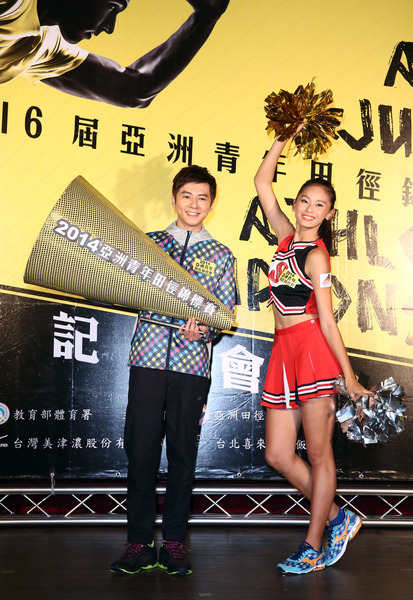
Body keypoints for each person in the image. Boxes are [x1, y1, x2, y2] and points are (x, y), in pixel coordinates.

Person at [254, 125, 372, 575]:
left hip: (312, 353)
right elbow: (262, 182)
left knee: (320, 455)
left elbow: (327, 319)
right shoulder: (285, 238)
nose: (309, 209)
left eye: (319, 204)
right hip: (283, 351)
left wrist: (349, 377)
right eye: (304, 200)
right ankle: (339, 517)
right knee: (278, 455)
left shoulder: (318, 256)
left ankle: (312, 544)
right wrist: (283, 136)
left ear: (330, 213)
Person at [110, 165, 236, 576]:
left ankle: (175, 544)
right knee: (141, 452)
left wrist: (205, 330)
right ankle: (138, 544)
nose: (194, 205)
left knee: (183, 455)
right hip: (147, 360)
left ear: (211, 204)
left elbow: (224, 314)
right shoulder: (150, 244)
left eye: (202, 198)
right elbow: (128, 289)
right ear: (174, 198)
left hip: (191, 366)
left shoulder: (221, 255)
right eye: (187, 196)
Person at [0, 0, 230, 107]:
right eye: (112, 7)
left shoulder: (37, 47)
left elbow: (134, 89)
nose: (109, 27)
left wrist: (206, 17)